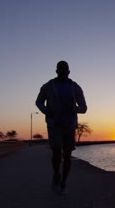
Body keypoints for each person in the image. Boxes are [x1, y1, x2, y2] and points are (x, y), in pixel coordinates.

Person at [36, 61, 87, 195]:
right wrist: (46, 110)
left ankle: (63, 183)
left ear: (69, 71)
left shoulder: (75, 87)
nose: (63, 71)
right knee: (56, 153)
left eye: (66, 69)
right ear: (56, 71)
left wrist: (74, 108)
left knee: (68, 156)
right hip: (54, 125)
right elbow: (38, 102)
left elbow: (84, 107)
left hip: (69, 125)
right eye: (61, 69)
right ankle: (56, 175)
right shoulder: (48, 86)